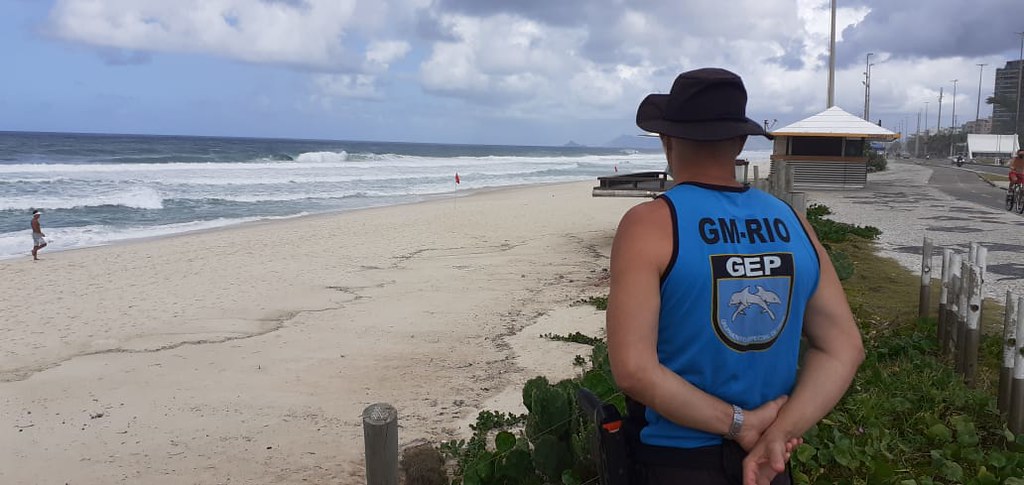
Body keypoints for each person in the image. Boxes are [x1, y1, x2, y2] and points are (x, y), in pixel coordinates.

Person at [606, 68, 865, 485]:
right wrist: (778, 434)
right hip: (767, 465)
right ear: (740, 141)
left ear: (666, 139)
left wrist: (740, 424)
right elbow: (844, 349)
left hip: (675, 463)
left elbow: (634, 370)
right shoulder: (792, 222)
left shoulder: (650, 224)